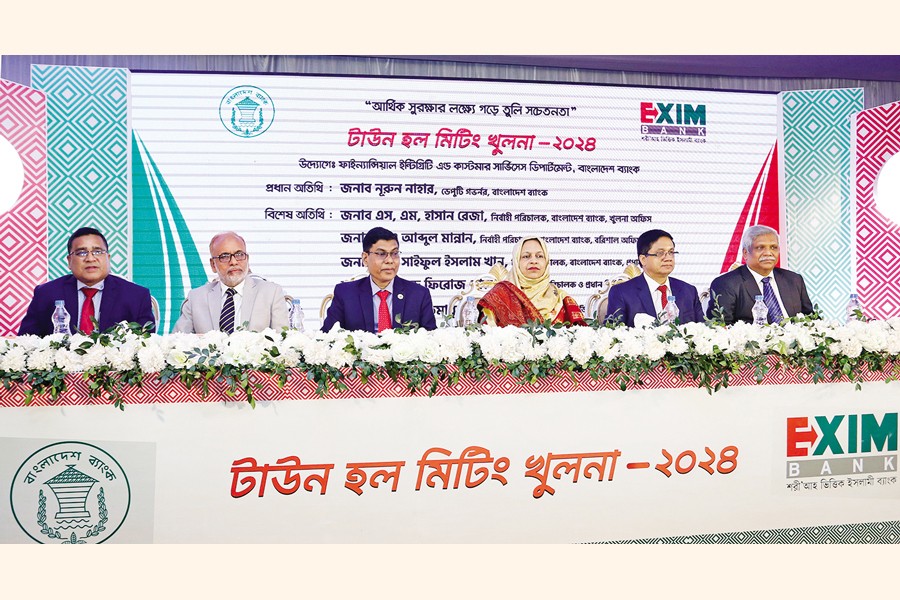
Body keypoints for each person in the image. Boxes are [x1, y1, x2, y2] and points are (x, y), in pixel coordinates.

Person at [18, 227, 156, 336]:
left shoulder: (136, 296)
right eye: (81, 253)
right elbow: (26, 341)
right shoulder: (46, 293)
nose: (90, 258)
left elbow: (146, 346)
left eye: (98, 251)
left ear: (108, 258)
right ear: (69, 261)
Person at [322, 227, 437, 332]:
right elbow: (327, 337)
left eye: (394, 253)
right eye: (381, 254)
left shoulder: (419, 294)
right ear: (365, 258)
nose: (390, 260)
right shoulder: (345, 293)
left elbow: (431, 338)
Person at [174, 231, 289, 333]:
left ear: (247, 259)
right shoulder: (196, 298)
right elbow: (176, 343)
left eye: (239, 255)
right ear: (213, 264)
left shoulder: (271, 293)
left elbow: (282, 341)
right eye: (224, 256)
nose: (233, 262)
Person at [706, 224, 814, 325]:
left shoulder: (794, 280)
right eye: (760, 247)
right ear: (745, 253)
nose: (768, 253)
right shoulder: (726, 284)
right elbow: (719, 328)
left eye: (773, 247)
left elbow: (810, 319)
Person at [477, 237, 586, 326]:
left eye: (539, 256)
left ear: (547, 261)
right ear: (516, 262)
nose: (533, 261)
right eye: (526, 256)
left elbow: (582, 336)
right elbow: (486, 337)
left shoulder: (561, 298)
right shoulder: (498, 296)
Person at [605, 229, 704, 327]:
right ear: (643, 259)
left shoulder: (689, 292)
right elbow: (614, 333)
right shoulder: (622, 293)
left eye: (671, 252)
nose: (668, 258)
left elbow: (703, 330)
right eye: (660, 253)